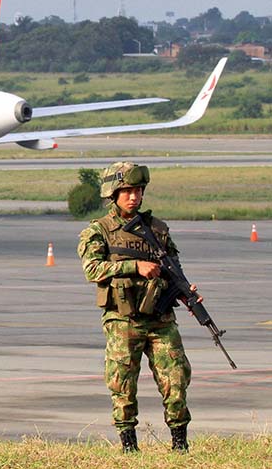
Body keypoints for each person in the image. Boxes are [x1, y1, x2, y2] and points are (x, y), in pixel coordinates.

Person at [77, 161, 193, 453]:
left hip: (160, 318)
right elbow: (92, 269)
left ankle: (180, 444)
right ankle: (129, 446)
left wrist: (186, 294)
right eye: (127, 191)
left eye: (138, 190)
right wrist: (134, 266)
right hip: (123, 319)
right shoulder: (99, 231)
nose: (134, 196)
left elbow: (174, 270)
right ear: (113, 194)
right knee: (122, 384)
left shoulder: (158, 230)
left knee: (176, 377)